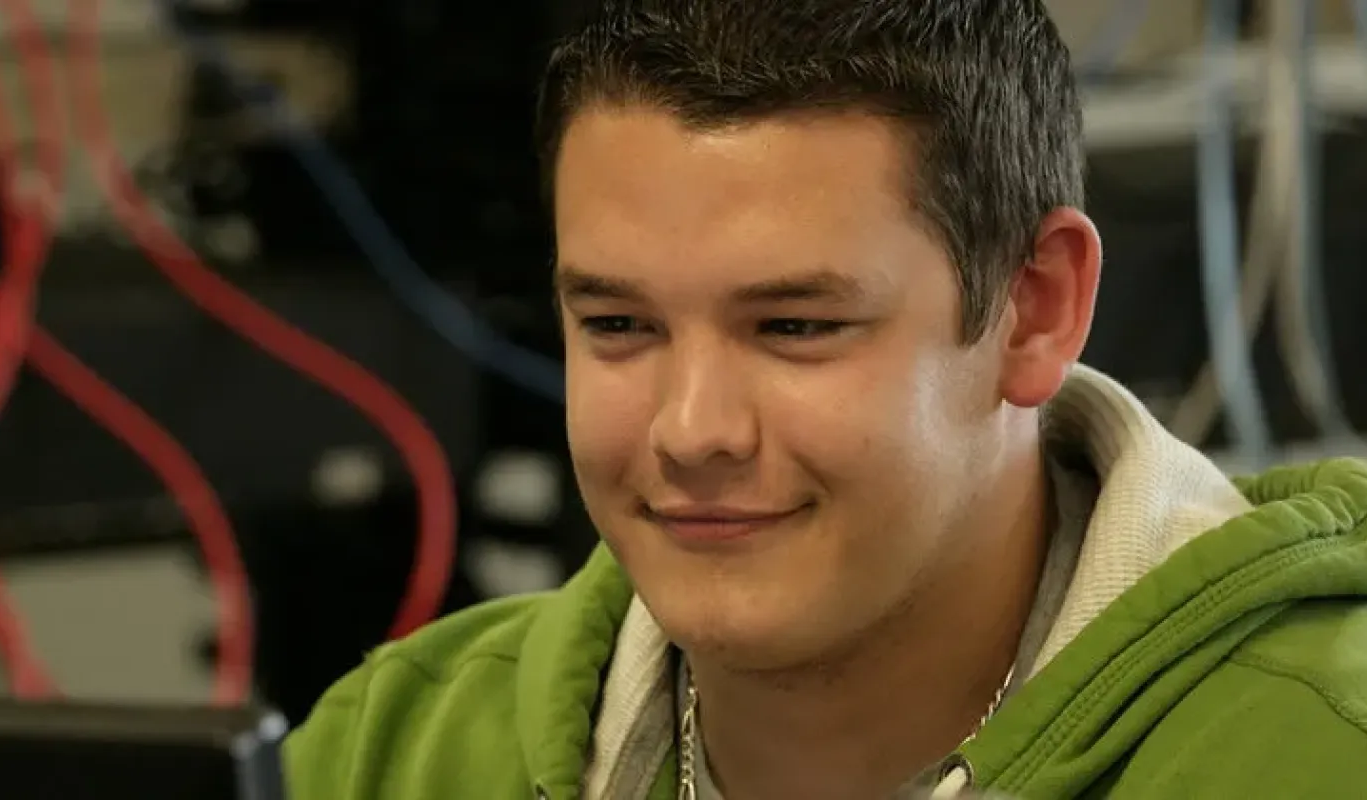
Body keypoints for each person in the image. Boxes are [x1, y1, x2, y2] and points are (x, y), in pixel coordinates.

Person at [283, 1, 1367, 797]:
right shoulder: (391, 752)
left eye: (794, 327)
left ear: (1034, 311)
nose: (692, 429)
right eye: (618, 324)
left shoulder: (1318, 756)